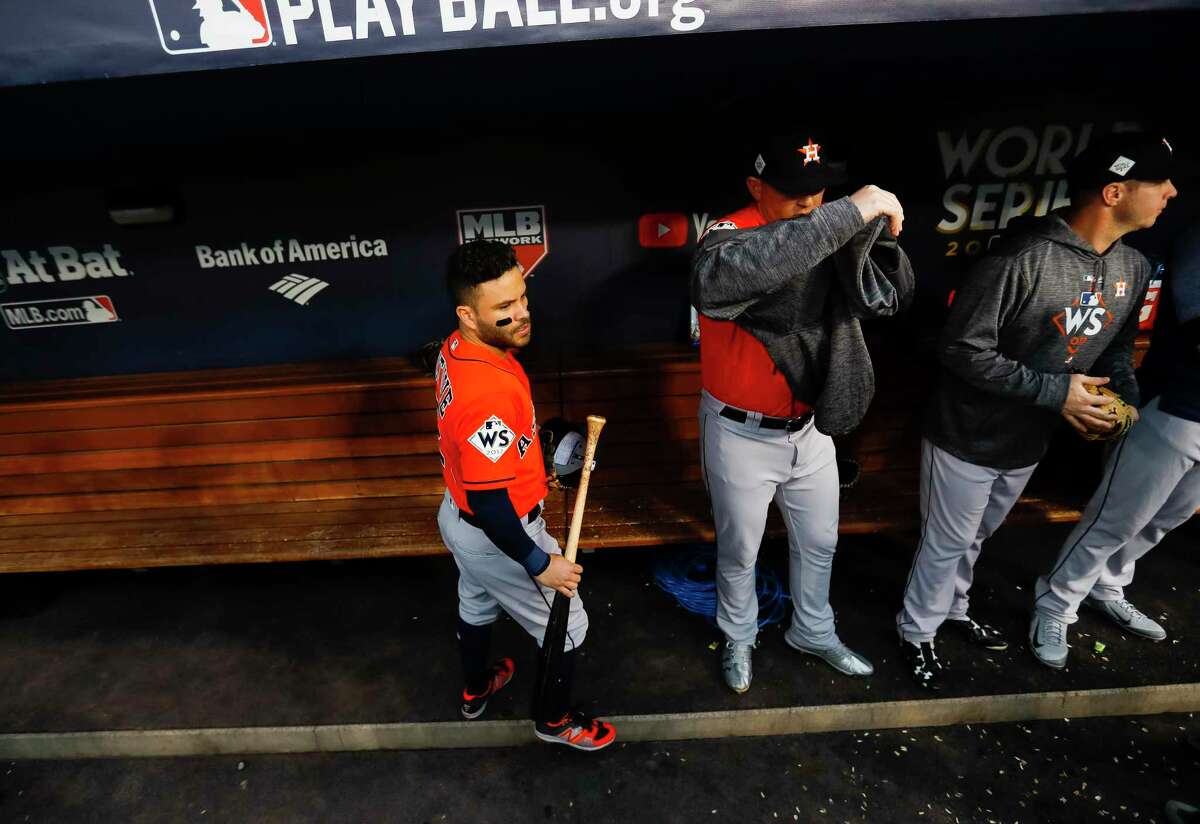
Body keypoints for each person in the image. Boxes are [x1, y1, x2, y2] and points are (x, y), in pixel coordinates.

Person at [897, 133, 1176, 688]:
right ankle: (916, 632)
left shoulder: (1135, 266)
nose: (1171, 191)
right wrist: (1058, 393)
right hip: (966, 432)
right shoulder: (1023, 258)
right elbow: (960, 350)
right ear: (1115, 192)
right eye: (1158, 182)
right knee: (947, 541)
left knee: (977, 537)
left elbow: (1117, 352)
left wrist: (1124, 405)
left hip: (1029, 437)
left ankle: (952, 612)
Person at [691, 132, 913, 694]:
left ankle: (812, 630)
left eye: (819, 190)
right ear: (755, 187)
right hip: (740, 431)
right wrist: (848, 213)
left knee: (820, 541)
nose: (810, 202)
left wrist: (878, 240)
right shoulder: (729, 234)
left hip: (810, 428)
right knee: (740, 549)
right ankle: (738, 633)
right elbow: (728, 278)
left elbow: (893, 295)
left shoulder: (834, 227)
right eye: (793, 192)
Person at [434, 239, 615, 751]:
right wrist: (540, 563)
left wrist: (537, 471)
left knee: (477, 603)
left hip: (458, 518)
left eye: (522, 297)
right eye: (504, 308)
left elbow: (490, 459)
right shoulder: (486, 392)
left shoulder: (457, 347)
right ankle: (554, 721)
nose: (522, 314)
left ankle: (475, 689)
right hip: (500, 533)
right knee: (570, 624)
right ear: (468, 314)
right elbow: (492, 503)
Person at [1030, 211, 1193, 669]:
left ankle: (1107, 585)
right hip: (1177, 404)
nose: (1171, 195)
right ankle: (1056, 603)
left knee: (1169, 517)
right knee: (1117, 519)